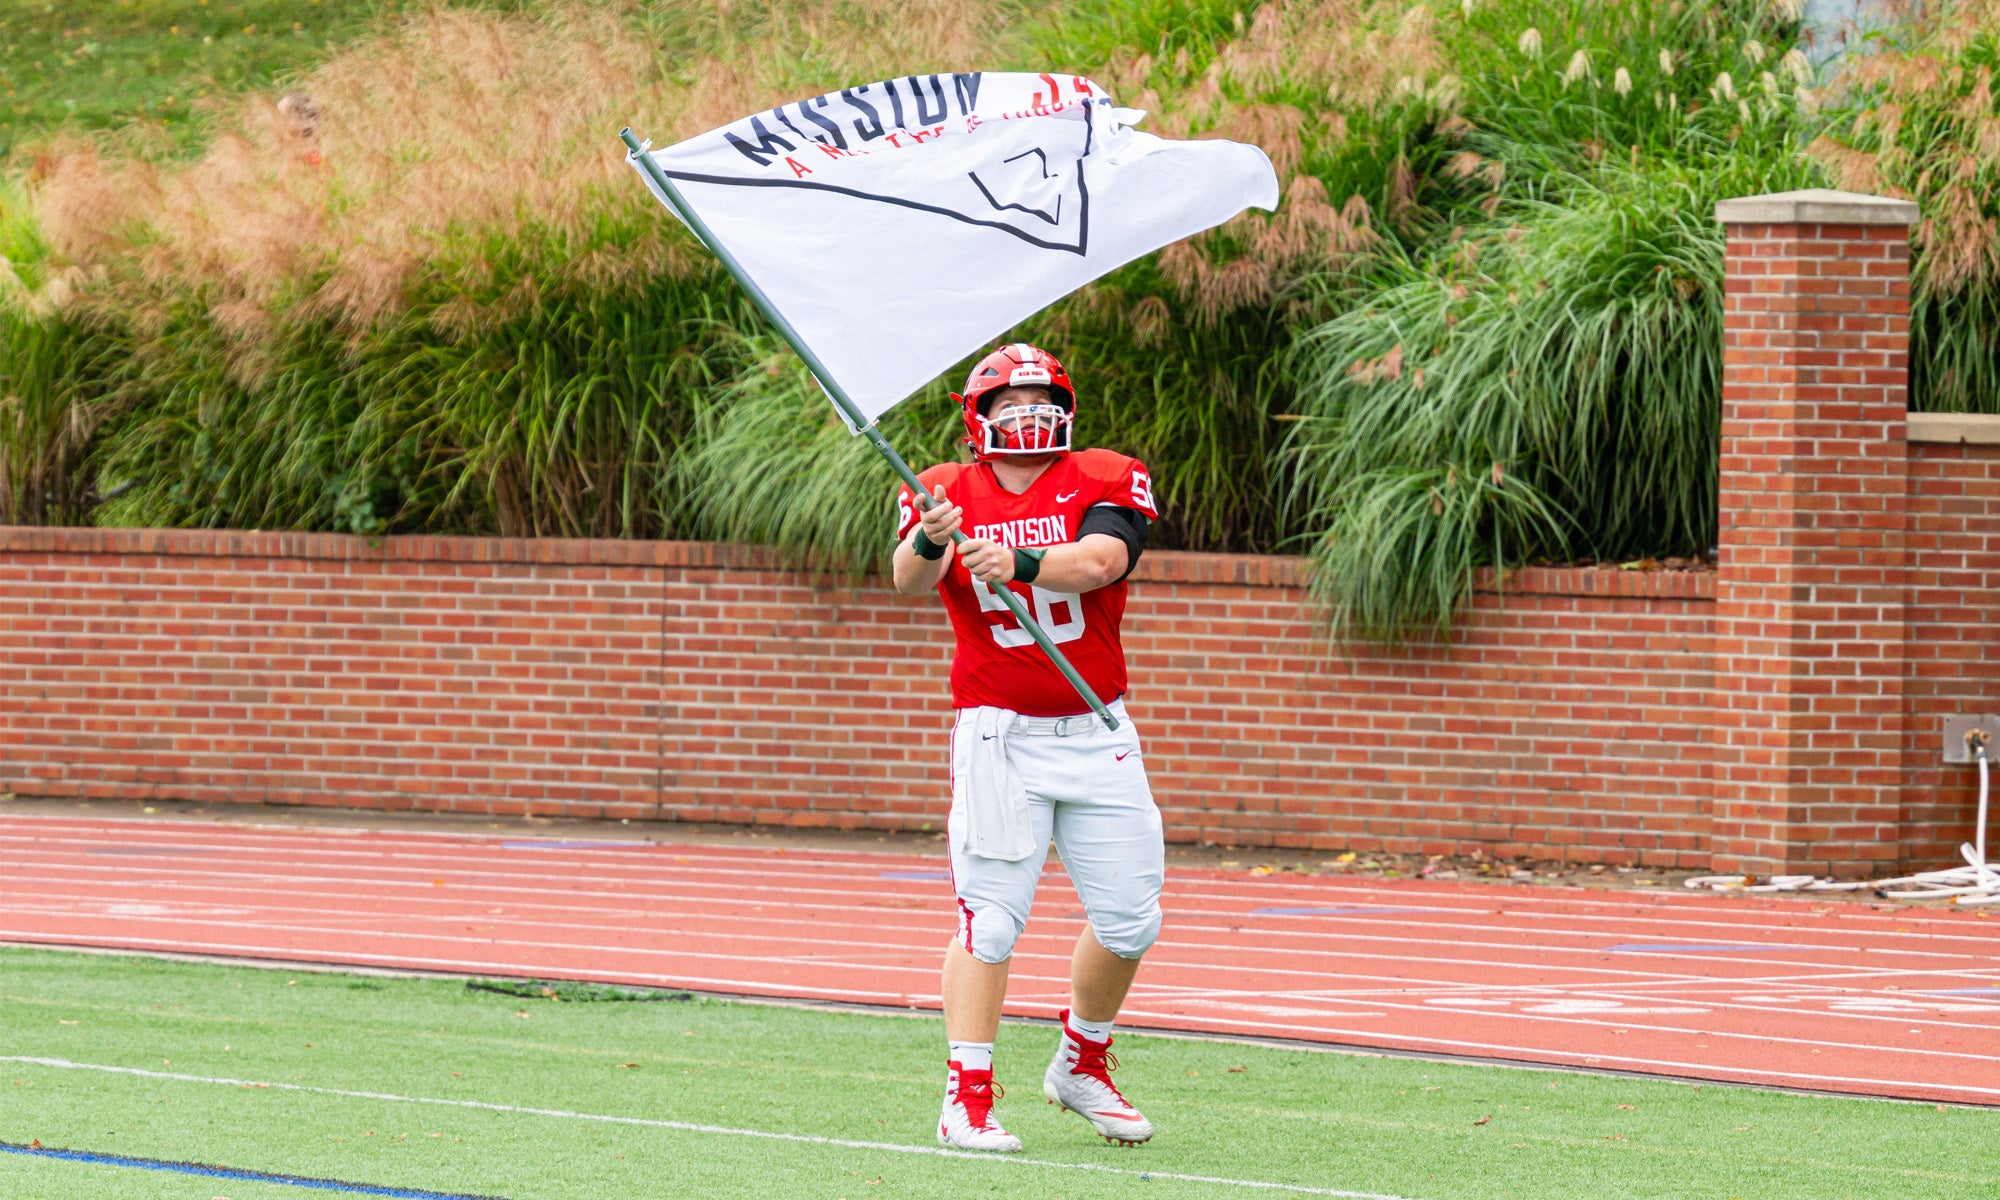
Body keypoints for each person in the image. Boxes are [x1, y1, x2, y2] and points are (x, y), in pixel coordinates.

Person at [891, 343, 1163, 1153]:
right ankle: (966, 1097)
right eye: (1009, 402)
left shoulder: (1106, 474)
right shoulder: (943, 488)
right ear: (979, 419)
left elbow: (1104, 560)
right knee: (992, 923)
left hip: (1096, 726)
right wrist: (937, 538)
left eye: (1041, 397)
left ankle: (1081, 1063)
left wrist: (1020, 559)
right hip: (1000, 733)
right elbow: (906, 577)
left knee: (1130, 921)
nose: (1027, 412)